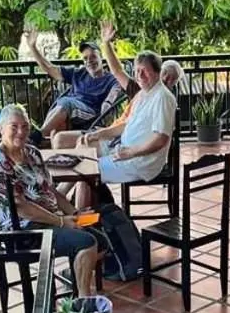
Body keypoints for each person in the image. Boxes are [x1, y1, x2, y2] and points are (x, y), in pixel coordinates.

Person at [0, 104, 99, 296]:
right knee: (87, 242)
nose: (21, 132)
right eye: (14, 127)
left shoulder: (32, 153)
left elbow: (51, 191)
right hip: (24, 231)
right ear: (1, 129)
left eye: (25, 127)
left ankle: (77, 280)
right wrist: (62, 221)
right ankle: (83, 302)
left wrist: (74, 213)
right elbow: (22, 208)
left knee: (100, 234)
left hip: (51, 219)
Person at [51, 21, 183, 151]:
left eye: (172, 79)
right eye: (165, 73)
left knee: (78, 146)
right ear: (158, 71)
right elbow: (117, 71)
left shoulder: (163, 101)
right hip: (111, 132)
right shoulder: (139, 88)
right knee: (59, 139)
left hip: (118, 141)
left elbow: (159, 138)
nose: (166, 79)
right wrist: (106, 43)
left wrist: (130, 151)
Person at [72, 51, 176, 207]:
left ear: (157, 72)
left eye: (145, 70)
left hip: (140, 161)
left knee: (85, 170)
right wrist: (100, 134)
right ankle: (63, 198)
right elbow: (126, 124)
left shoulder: (163, 97)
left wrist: (131, 152)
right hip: (122, 149)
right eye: (137, 70)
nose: (140, 75)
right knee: (83, 145)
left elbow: (161, 139)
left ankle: (80, 223)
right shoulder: (143, 93)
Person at [25, 30, 119, 139]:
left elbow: (113, 95)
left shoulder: (110, 79)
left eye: (93, 56)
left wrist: (107, 107)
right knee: (61, 111)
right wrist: (32, 47)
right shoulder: (79, 73)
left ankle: (37, 137)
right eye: (85, 58)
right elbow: (50, 68)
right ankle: (41, 141)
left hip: (91, 113)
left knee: (66, 103)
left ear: (101, 58)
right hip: (71, 110)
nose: (89, 61)